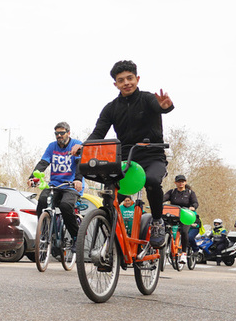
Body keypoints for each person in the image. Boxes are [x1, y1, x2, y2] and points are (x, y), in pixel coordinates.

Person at [74, 60, 174, 247]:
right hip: (126, 158)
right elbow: (98, 133)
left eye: (130, 78)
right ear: (116, 84)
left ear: (137, 79)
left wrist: (165, 107)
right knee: (111, 195)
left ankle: (157, 222)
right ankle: (111, 238)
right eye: (121, 80)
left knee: (152, 181)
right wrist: (83, 146)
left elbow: (161, 107)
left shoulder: (148, 98)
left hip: (152, 155)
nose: (126, 83)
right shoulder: (111, 108)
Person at [27, 122, 82, 249]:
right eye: (56, 133)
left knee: (65, 205)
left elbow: (80, 164)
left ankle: (76, 238)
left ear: (68, 133)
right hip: (54, 185)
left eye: (62, 133)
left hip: (71, 186)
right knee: (41, 201)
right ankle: (47, 234)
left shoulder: (75, 145)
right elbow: (43, 163)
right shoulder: (52, 147)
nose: (59, 136)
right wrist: (32, 178)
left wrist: (78, 179)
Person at [163, 174, 198, 258]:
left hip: (185, 216)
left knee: (184, 231)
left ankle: (183, 253)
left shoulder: (190, 193)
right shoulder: (172, 192)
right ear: (175, 183)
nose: (180, 183)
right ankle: (161, 246)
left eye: (182, 181)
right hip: (173, 215)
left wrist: (193, 207)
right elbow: (163, 198)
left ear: (185, 182)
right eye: (178, 182)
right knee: (162, 226)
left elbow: (195, 202)